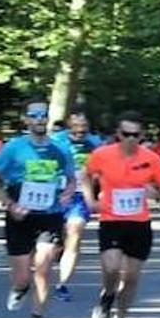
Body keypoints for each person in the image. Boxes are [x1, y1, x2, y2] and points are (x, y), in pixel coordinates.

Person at [0, 101, 76, 318]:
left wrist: (67, 193)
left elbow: (71, 179)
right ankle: (19, 288)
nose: (39, 120)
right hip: (20, 215)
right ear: (26, 120)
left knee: (43, 268)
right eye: (34, 116)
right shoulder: (14, 148)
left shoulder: (59, 149)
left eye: (43, 115)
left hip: (50, 214)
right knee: (23, 276)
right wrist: (9, 203)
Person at [82, 111, 160, 318]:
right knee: (111, 268)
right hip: (111, 220)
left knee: (131, 278)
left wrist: (156, 192)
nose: (130, 139)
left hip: (139, 223)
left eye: (135, 135)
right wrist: (90, 200)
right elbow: (86, 176)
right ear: (117, 134)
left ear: (141, 135)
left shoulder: (151, 159)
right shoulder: (102, 155)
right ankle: (107, 296)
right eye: (125, 134)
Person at [50, 110, 104, 301]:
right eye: (76, 126)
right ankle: (57, 247)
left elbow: (104, 170)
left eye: (84, 127)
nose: (80, 131)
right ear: (68, 126)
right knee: (53, 239)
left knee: (75, 231)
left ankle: (62, 284)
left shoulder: (97, 144)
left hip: (81, 195)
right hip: (56, 195)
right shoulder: (55, 141)